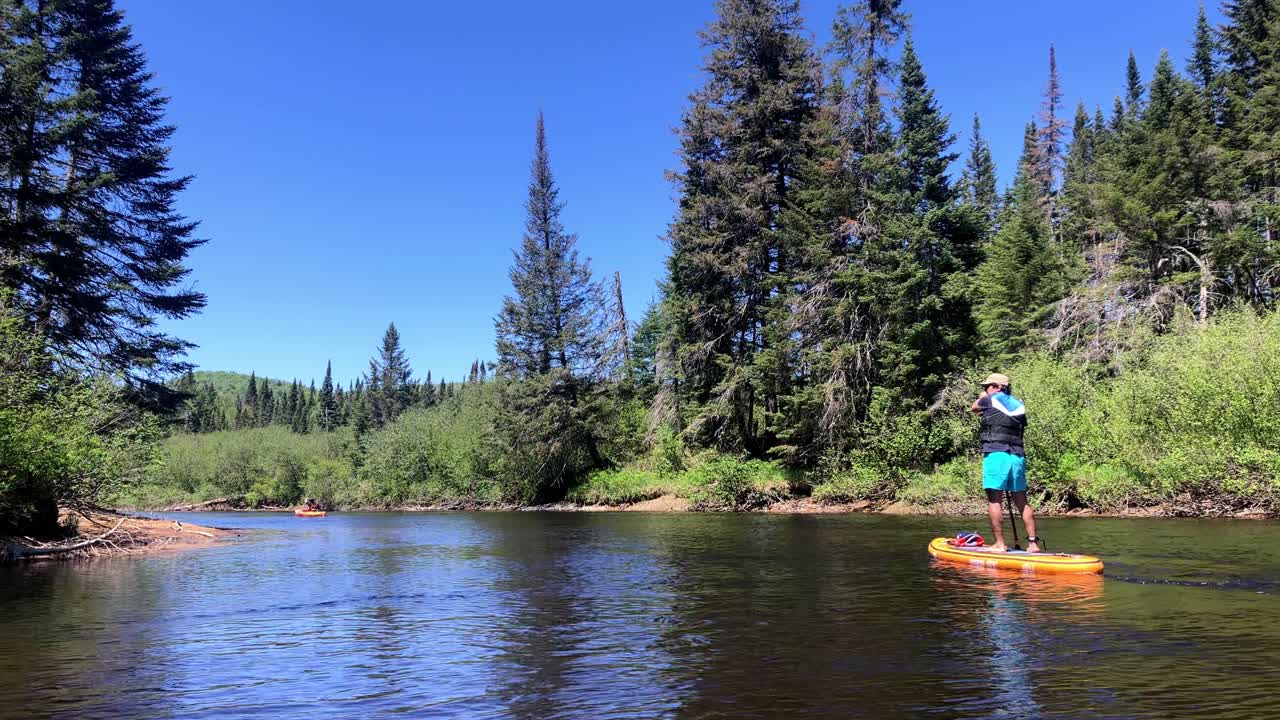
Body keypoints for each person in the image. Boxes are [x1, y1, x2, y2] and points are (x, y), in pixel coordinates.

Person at [970, 373, 1040, 553]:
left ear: (998, 387)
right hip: (1017, 456)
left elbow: (974, 408)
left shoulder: (990, 399)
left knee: (994, 499)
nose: (985, 389)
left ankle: (1000, 544)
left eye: (988, 386)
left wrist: (983, 397)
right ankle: (1033, 544)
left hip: (997, 454)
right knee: (1021, 500)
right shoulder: (1019, 404)